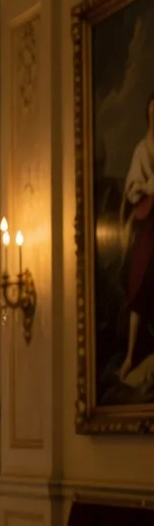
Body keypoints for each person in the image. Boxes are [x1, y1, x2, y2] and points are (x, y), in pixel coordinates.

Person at [119, 92, 154, 381]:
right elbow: (134, 188)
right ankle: (130, 356)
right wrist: (145, 187)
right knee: (139, 282)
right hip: (149, 222)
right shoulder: (142, 150)